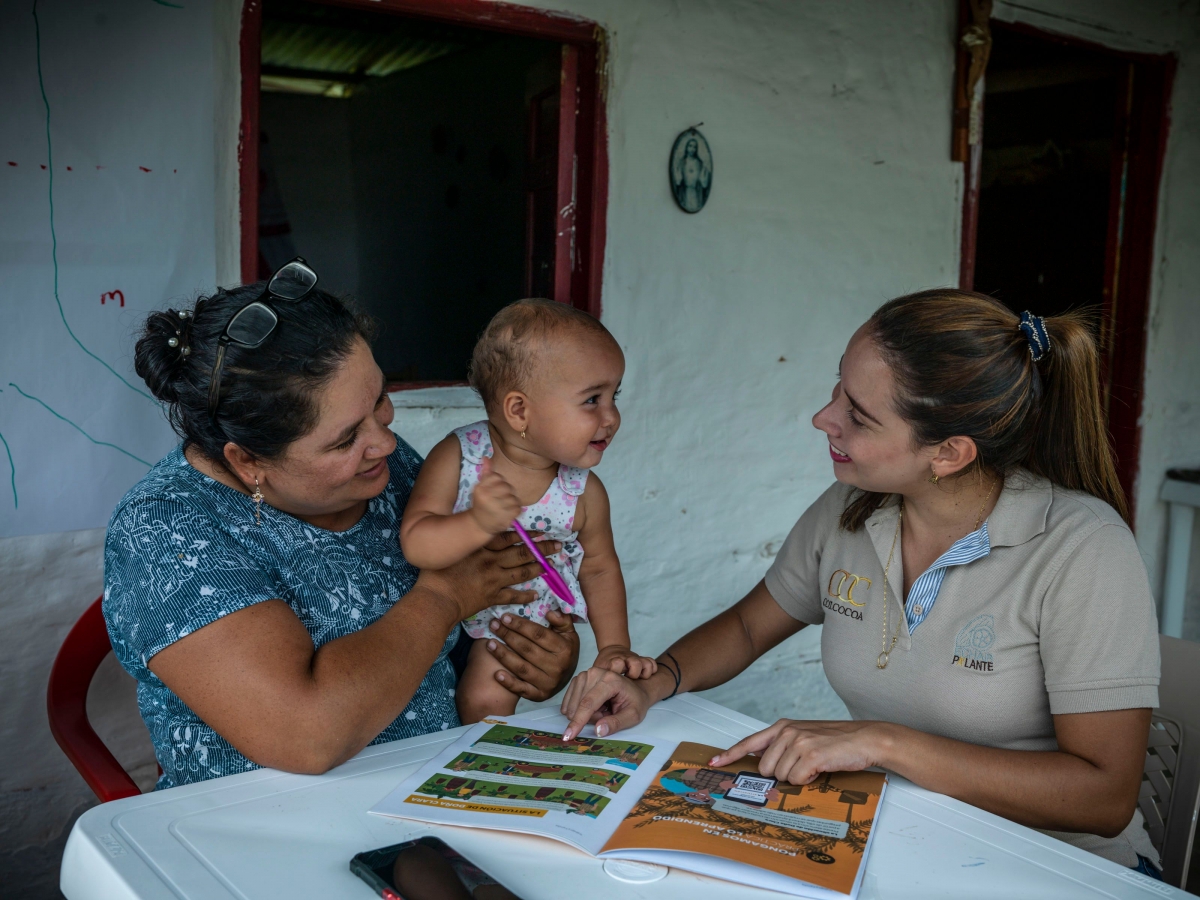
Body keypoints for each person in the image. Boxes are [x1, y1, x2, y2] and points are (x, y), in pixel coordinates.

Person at [560, 289, 1163, 874]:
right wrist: (655, 682)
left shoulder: (1081, 548)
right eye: (837, 388)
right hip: (905, 840)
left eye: (859, 413)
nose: (823, 418)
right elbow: (749, 626)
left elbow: (1103, 799)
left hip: (1056, 869)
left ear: (949, 453)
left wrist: (883, 743)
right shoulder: (855, 507)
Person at [104, 262, 579, 789]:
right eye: (344, 439)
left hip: (431, 789)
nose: (386, 443)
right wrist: (444, 598)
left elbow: (469, 624)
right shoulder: (165, 532)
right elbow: (306, 734)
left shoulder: (386, 472)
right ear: (248, 462)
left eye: (379, 399)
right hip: (262, 826)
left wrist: (522, 656)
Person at [401, 299, 656, 723]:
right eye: (592, 399)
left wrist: (614, 646)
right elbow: (416, 543)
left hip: (515, 625)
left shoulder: (582, 491)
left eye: (615, 396)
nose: (612, 417)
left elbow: (599, 568)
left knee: (487, 698)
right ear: (519, 410)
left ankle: (484, 772)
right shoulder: (460, 457)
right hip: (440, 611)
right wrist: (477, 522)